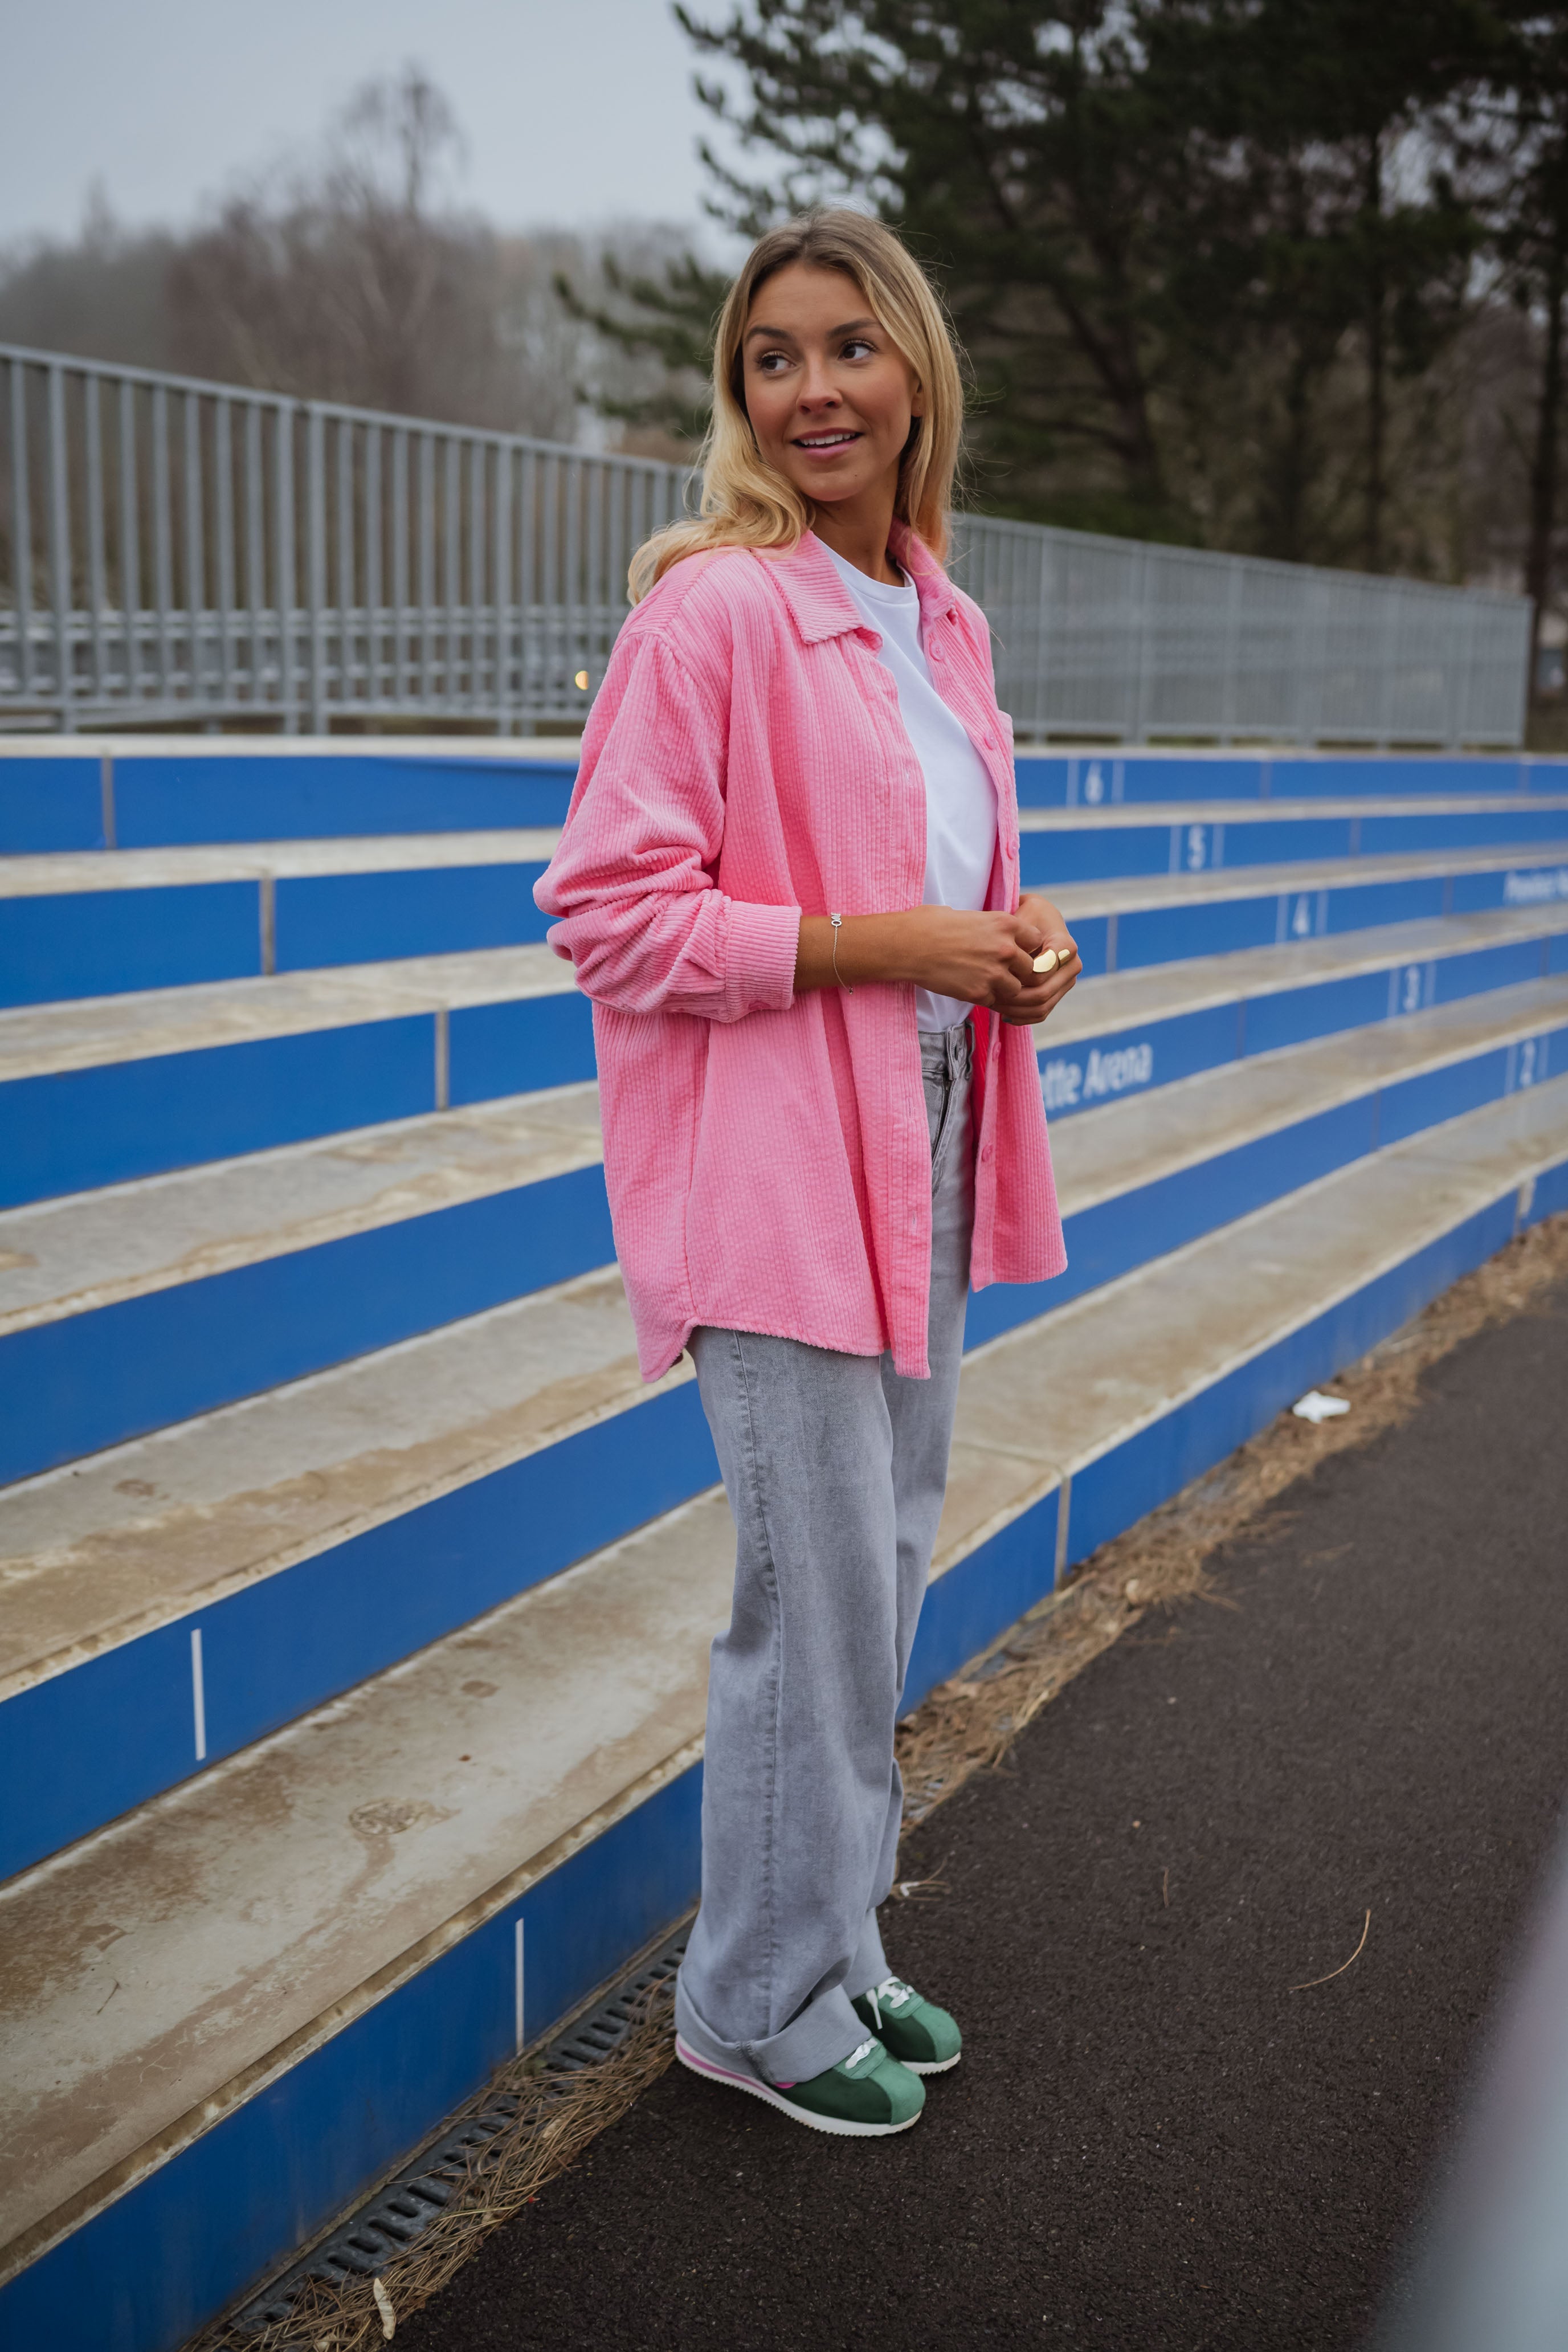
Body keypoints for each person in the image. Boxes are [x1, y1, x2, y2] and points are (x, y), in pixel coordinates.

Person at [536, 209, 1079, 2139]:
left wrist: (1012, 939)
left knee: (889, 1561)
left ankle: (832, 1944)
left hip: (920, 1123)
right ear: (740, 396)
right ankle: (750, 2005)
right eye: (775, 357)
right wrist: (881, 944)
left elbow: (933, 881)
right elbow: (608, 911)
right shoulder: (715, 608)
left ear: (916, 370)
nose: (813, 387)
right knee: (816, 1591)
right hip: (768, 1168)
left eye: (849, 346)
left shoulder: (940, 616)